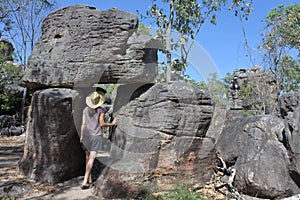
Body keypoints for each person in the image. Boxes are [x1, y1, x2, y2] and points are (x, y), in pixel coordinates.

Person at [80, 91, 116, 189]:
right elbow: (102, 124)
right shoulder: (101, 110)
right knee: (91, 159)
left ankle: (89, 180)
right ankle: (84, 181)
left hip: (86, 137)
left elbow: (83, 124)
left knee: (87, 158)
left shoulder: (85, 110)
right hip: (96, 136)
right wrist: (112, 124)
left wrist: (82, 136)